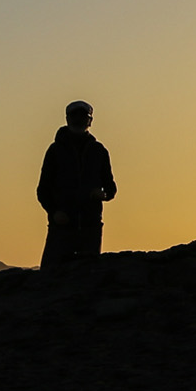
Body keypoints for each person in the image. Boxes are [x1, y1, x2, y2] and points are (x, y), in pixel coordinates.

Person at [37, 100, 117, 268]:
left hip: (90, 226)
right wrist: (54, 212)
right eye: (75, 116)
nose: (79, 120)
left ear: (90, 121)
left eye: (83, 116)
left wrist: (103, 194)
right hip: (62, 227)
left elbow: (111, 188)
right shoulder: (55, 151)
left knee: (87, 278)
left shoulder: (99, 151)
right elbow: (43, 190)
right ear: (67, 119)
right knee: (51, 277)